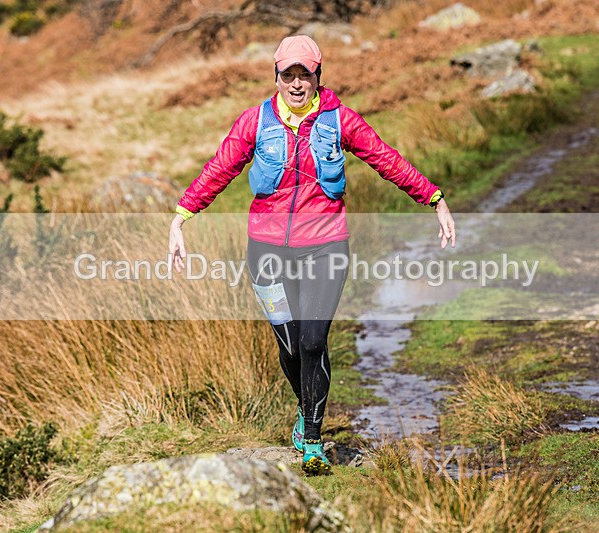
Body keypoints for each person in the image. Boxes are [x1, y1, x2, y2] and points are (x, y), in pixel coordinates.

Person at [168, 35, 456, 475]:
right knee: (289, 345)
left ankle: (314, 441)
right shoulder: (255, 122)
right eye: (289, 75)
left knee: (312, 341)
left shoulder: (341, 120)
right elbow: (220, 167)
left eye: (305, 74)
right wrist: (182, 216)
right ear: (277, 77)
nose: (297, 83)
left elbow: (386, 159)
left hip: (326, 246)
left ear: (318, 76)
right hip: (267, 250)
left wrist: (434, 198)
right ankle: (305, 409)